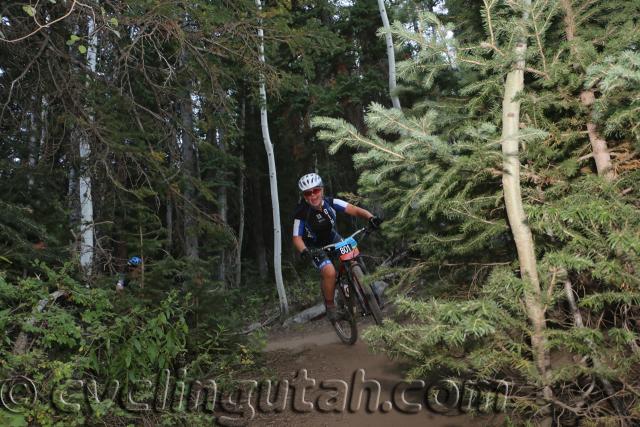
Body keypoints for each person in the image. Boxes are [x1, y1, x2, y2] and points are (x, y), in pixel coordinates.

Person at [292, 173, 382, 321]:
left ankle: (361, 287)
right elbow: (296, 238)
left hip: (333, 238)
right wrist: (304, 251)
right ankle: (330, 307)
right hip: (315, 247)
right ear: (304, 196)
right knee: (330, 272)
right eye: (308, 193)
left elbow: (354, 209)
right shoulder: (301, 214)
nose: (313, 195)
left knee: (352, 257)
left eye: (316, 190)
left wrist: (370, 217)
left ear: (322, 190)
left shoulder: (330, 202)